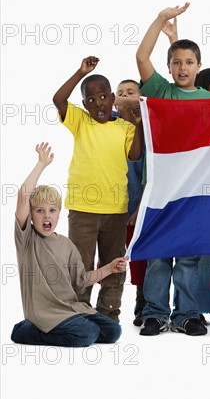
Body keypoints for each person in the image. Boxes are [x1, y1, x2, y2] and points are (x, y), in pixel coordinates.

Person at [136, 3, 210, 336]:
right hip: (159, 188)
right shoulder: (161, 91)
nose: (182, 67)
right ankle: (155, 312)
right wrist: (159, 20)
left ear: (199, 66)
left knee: (188, 257)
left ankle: (187, 314)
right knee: (157, 254)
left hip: (192, 191)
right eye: (176, 62)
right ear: (169, 67)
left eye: (188, 62)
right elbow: (141, 58)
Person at [52, 57, 143, 322]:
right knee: (81, 264)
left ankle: (108, 314)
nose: (97, 104)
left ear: (112, 98)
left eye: (103, 97)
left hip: (115, 210)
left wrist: (137, 125)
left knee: (114, 264)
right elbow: (58, 100)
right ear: (83, 105)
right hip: (82, 210)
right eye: (90, 100)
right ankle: (79, 311)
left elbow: (135, 156)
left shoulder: (124, 127)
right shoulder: (81, 122)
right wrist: (80, 72)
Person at [11, 143, 128, 347]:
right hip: (45, 314)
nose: (47, 216)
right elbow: (23, 197)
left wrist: (109, 268)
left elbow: (81, 280)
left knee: (113, 331)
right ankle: (28, 331)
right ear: (31, 215)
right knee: (87, 334)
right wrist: (41, 165)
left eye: (52, 210)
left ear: (59, 213)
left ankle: (73, 327)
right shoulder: (27, 239)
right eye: (39, 211)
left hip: (71, 309)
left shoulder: (66, 244)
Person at [115, 79, 146, 327]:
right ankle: (108, 305)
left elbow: (149, 172)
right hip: (111, 206)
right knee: (111, 257)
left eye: (130, 93)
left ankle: (142, 299)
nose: (124, 97)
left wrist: (139, 207)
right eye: (120, 93)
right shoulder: (109, 123)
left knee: (139, 258)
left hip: (138, 207)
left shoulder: (148, 128)